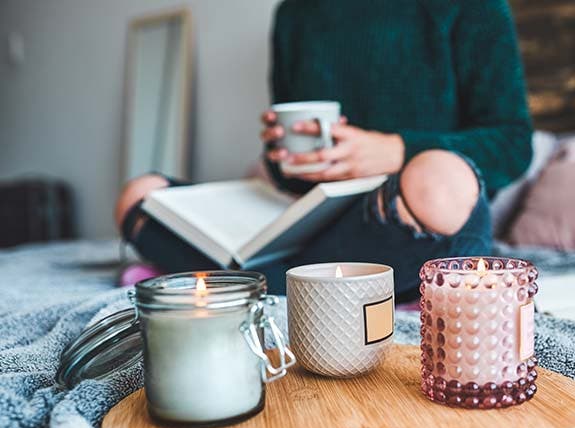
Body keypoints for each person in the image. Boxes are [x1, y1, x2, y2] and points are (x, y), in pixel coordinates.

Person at [115, 0, 533, 300]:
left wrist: (394, 151)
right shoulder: (296, 14)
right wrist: (284, 159)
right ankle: (290, 283)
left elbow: (513, 143)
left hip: (403, 219)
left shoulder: (474, 8)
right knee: (140, 194)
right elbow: (289, 172)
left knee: (439, 178)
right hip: (319, 219)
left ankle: (249, 283)